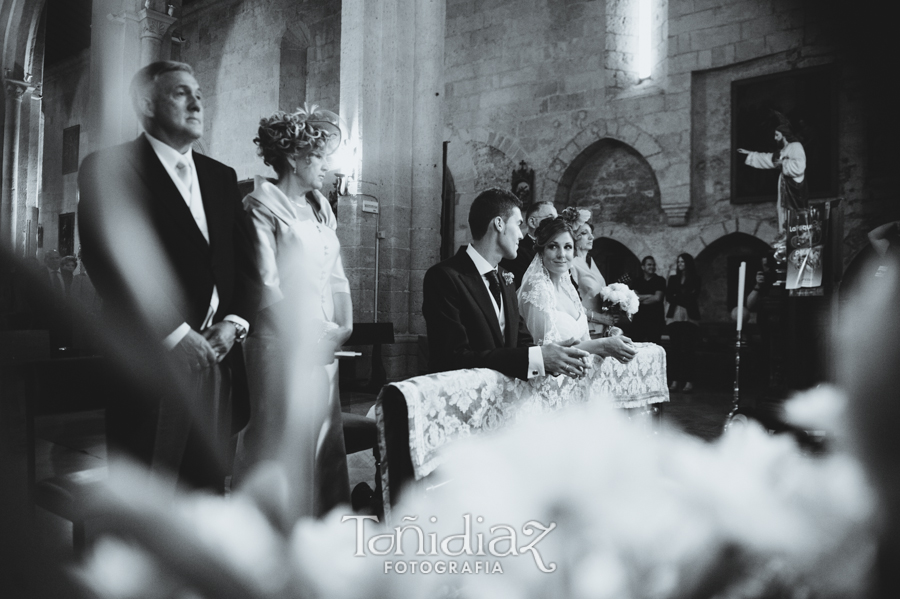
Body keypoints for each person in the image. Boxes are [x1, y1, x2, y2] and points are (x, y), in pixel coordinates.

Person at [77, 60, 261, 492]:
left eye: (198, 92)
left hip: (220, 360)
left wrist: (234, 325)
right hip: (150, 359)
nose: (197, 100)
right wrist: (176, 334)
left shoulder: (221, 177)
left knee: (207, 490)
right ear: (146, 103)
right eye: (181, 92)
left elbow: (246, 265)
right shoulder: (110, 167)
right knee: (148, 497)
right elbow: (107, 261)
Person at [234, 105, 352, 515]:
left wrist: (344, 327)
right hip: (278, 344)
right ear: (292, 157)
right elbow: (265, 288)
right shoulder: (258, 206)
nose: (326, 166)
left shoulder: (321, 206)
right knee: (278, 437)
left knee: (323, 436)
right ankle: (269, 534)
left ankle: (323, 535)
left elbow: (337, 275)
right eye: (318, 157)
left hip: (323, 342)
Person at [423, 188, 591, 380]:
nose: (521, 235)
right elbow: (453, 357)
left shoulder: (505, 278)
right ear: (499, 224)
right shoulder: (445, 277)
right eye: (518, 224)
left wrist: (555, 355)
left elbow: (522, 343)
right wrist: (538, 357)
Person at [517, 216, 636, 363]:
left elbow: (582, 340)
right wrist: (603, 345)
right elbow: (547, 352)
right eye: (553, 246)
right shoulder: (536, 288)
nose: (561, 254)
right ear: (541, 251)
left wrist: (610, 336)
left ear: (574, 251)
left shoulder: (569, 290)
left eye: (567, 247)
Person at [738, 124, 808, 239]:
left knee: (795, 213)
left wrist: (783, 163)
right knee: (784, 213)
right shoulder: (784, 149)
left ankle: (797, 236)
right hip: (786, 187)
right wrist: (750, 154)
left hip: (794, 188)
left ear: (784, 135)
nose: (775, 138)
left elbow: (800, 166)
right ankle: (787, 235)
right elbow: (769, 159)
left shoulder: (795, 146)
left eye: (777, 135)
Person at [499, 200, 557, 288]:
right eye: (551, 218)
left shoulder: (560, 250)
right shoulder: (517, 252)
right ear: (532, 222)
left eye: (557, 219)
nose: (557, 224)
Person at [566, 215, 608, 336]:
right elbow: (571, 304)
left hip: (602, 328)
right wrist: (600, 318)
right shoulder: (571, 264)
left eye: (591, 233)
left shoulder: (591, 262)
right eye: (584, 233)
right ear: (574, 237)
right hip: (586, 329)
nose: (591, 237)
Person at [665, 253, 701, 393]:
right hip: (674, 317)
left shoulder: (696, 278)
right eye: (678, 261)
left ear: (688, 263)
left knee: (688, 350)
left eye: (683, 261)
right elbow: (669, 296)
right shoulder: (673, 279)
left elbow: (693, 297)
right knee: (675, 350)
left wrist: (677, 296)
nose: (680, 264)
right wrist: (683, 296)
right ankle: (674, 381)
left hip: (690, 318)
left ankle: (688, 381)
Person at [630, 256, 667, 344]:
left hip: (655, 320)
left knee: (654, 346)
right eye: (649, 264)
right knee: (637, 345)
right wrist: (650, 295)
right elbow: (633, 298)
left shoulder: (660, 280)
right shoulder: (637, 281)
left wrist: (640, 298)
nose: (652, 267)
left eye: (654, 265)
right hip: (639, 319)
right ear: (643, 267)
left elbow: (657, 298)